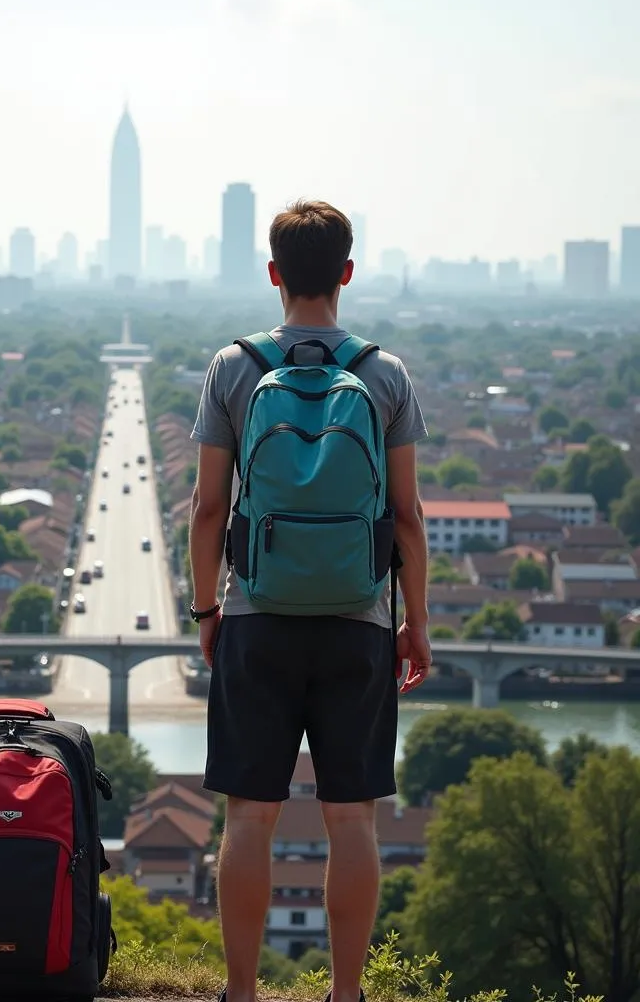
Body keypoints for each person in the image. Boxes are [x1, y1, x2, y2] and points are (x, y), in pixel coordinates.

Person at [187, 200, 432, 1002]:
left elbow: (205, 511)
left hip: (257, 618)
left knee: (248, 819)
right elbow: (406, 517)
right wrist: (415, 625)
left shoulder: (233, 369)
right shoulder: (385, 374)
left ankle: (242, 993)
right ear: (347, 274)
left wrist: (206, 611)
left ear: (274, 274)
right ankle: (346, 994)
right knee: (352, 820)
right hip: (358, 623)